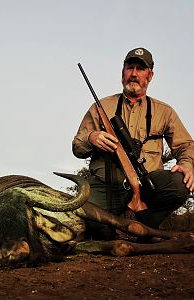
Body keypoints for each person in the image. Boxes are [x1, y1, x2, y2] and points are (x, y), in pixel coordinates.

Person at [72, 47, 194, 239]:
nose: (134, 74)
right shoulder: (101, 107)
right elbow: (77, 146)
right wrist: (92, 137)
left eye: (140, 69)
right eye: (130, 68)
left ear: (150, 76)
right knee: (91, 223)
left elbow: (186, 145)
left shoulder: (164, 111)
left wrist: (187, 164)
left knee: (181, 184)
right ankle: (137, 230)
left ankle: (138, 225)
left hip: (147, 186)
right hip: (107, 186)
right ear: (123, 72)